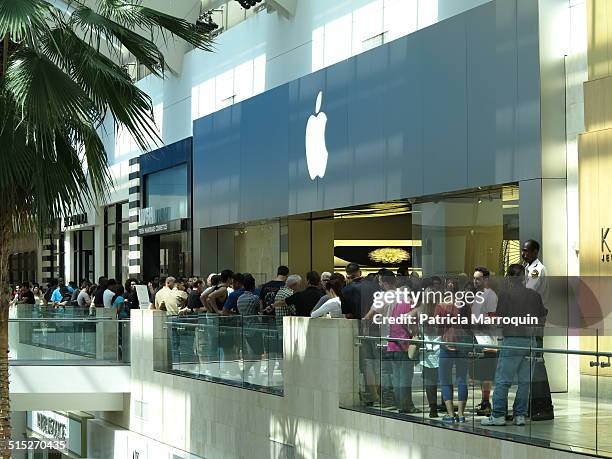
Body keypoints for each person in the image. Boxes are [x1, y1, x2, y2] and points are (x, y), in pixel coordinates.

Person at [481, 264, 548, 427]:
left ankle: (498, 415)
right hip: (530, 341)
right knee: (525, 382)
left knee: (503, 380)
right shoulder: (534, 296)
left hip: (512, 340)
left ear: (509, 278)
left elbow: (500, 318)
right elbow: (542, 316)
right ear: (525, 277)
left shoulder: (505, 295)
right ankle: (520, 415)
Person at [521, 239, 554, 421]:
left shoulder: (536, 270)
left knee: (536, 361)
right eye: (523, 251)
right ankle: (531, 404)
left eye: (527, 251)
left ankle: (541, 405)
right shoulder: (528, 269)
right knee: (530, 362)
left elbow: (528, 292)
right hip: (529, 319)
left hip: (535, 320)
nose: (524, 254)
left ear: (535, 252)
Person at [436, 282, 472, 423]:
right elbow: (469, 324)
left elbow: (437, 327)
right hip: (462, 344)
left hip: (446, 344)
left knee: (445, 381)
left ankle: (450, 415)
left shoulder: (441, 306)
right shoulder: (464, 305)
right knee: (462, 380)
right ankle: (461, 415)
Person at [471, 266, 499, 417]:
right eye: (474, 278)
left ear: (486, 279)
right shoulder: (477, 295)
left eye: (478, 278)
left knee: (487, 374)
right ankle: (484, 401)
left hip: (488, 340)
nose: (475, 281)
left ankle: (486, 403)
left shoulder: (490, 296)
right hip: (478, 339)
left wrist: (477, 324)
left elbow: (493, 319)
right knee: (482, 374)